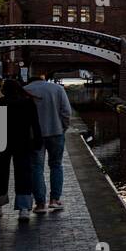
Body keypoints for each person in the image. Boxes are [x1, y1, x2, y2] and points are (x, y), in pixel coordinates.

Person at [0, 78, 42, 220]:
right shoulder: (27, 103)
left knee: (1, 173)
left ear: (3, 90)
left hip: (1, 143)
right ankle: (24, 209)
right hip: (23, 143)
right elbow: (35, 125)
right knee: (23, 173)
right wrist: (37, 142)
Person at [25, 75, 72, 214]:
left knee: (36, 167)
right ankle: (54, 200)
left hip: (34, 135)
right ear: (43, 79)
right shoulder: (57, 89)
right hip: (56, 132)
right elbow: (66, 112)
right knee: (56, 165)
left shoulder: (25, 90)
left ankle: (40, 204)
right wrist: (63, 127)